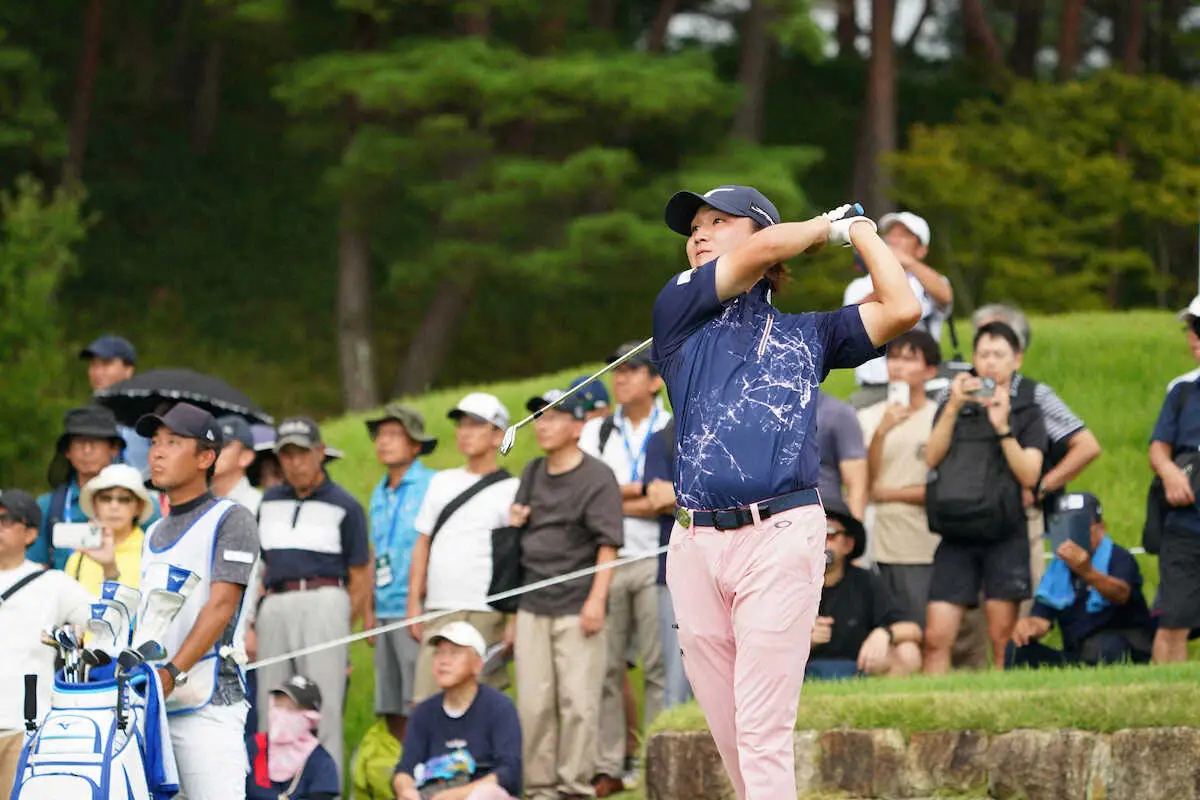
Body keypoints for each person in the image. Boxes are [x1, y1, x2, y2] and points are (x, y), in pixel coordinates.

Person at [651, 184, 920, 800]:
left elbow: (902, 307)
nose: (698, 234)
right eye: (695, 226)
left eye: (718, 222)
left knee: (763, 729)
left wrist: (862, 233)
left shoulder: (810, 335)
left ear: (765, 246)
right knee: (730, 735)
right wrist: (825, 227)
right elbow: (768, 245)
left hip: (781, 533)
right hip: (693, 544)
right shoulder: (678, 310)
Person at [136, 402, 260, 800]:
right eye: (155, 442)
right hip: (156, 707)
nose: (157, 452)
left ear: (206, 457)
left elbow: (222, 606)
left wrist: (172, 672)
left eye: (173, 442)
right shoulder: (152, 532)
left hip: (209, 707)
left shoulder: (231, 518)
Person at [509, 389, 623, 800]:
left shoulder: (598, 476)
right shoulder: (532, 472)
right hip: (532, 605)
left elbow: (608, 544)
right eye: (539, 417)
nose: (542, 424)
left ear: (577, 426)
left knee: (579, 702)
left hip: (578, 603)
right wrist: (515, 520)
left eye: (553, 417)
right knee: (534, 705)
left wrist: (597, 600)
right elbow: (518, 538)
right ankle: (540, 789)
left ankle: (575, 787)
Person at [922, 322, 1047, 674]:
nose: (990, 362)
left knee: (1002, 639)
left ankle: (1002, 706)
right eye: (983, 354)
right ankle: (933, 708)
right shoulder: (952, 405)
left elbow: (1030, 475)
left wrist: (1003, 425)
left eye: (999, 355)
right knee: (935, 637)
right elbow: (931, 458)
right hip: (956, 531)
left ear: (1017, 360)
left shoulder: (1027, 411)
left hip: (1004, 532)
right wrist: (952, 407)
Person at [578, 341, 672, 796]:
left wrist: (618, 497)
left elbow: (674, 499)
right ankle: (611, 764)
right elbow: (586, 498)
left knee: (658, 666)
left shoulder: (675, 426)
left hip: (659, 560)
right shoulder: (595, 433)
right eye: (616, 371)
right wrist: (643, 494)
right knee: (607, 667)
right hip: (607, 563)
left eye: (632, 370)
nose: (620, 378)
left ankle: (657, 755)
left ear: (656, 381)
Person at [257, 416, 371, 778]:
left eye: (302, 454)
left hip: (325, 600)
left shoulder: (346, 506)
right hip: (274, 603)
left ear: (320, 453)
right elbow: (262, 566)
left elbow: (360, 575)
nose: (294, 462)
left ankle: (324, 788)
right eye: (286, 455)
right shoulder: (268, 502)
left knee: (322, 705)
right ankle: (274, 788)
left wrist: (340, 625)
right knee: (270, 705)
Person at [969, 303, 1103, 604]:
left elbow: (1087, 446)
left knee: (1021, 605)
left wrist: (1042, 485)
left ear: (1018, 352)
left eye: (999, 341)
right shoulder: (959, 391)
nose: (990, 352)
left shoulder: (1034, 395)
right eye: (983, 342)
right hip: (964, 514)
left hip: (1019, 515)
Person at [407, 394, 517, 704]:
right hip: (439, 606)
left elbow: (515, 558)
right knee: (426, 700)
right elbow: (422, 543)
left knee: (480, 701)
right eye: (462, 424)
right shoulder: (441, 482)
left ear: (498, 435)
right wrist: (413, 603)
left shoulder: (512, 489)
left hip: (486, 609)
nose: (465, 431)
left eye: (476, 424)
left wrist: (514, 618)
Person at [0, 488, 95, 793]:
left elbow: (108, 620)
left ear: (30, 533)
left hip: (23, 729)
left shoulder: (52, 583)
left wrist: (78, 637)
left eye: (4, 520)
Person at [1007, 493, 1153, 668]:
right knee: (1016, 649)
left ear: (1101, 528)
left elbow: (1121, 594)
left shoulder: (1119, 557)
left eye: (1080, 526)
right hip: (1076, 654)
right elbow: (1043, 618)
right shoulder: (1058, 569)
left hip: (1121, 645)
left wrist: (1088, 572)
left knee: (1105, 647)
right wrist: (1029, 626)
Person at [856, 330, 942, 625]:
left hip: (918, 541)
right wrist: (881, 432)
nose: (899, 366)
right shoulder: (866, 417)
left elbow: (942, 487)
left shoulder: (940, 418)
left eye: (909, 359)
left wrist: (888, 494)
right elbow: (861, 483)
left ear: (930, 371)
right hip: (870, 540)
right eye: (893, 358)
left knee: (915, 625)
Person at [364, 404, 438, 742]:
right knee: (390, 704)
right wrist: (368, 611)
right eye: (381, 434)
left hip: (417, 610)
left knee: (419, 699)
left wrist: (419, 604)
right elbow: (373, 552)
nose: (384, 442)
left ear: (416, 444)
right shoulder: (379, 492)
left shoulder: (432, 485)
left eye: (395, 435)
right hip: (384, 609)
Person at [393, 622, 523, 800]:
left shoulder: (500, 708)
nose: (443, 661)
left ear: (477, 664)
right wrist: (407, 791)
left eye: (454, 653)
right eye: (439, 653)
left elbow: (509, 772)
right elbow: (405, 768)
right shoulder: (423, 712)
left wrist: (454, 796)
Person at [843, 212, 953, 409]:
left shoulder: (932, 281)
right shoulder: (858, 286)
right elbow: (850, 322)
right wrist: (889, 271)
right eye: (890, 234)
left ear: (921, 250)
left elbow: (945, 296)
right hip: (874, 387)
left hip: (922, 388)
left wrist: (907, 263)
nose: (893, 240)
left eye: (904, 235)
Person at [806, 502, 923, 679]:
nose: (822, 542)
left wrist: (884, 634)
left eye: (829, 533)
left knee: (908, 652)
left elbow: (913, 629)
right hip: (801, 672)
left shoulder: (866, 580)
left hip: (859, 668)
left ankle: (886, 703)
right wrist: (805, 640)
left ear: (849, 544)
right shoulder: (792, 583)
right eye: (815, 534)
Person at [32, 405, 155, 570]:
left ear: (114, 448)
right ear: (67, 451)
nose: (87, 450)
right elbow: (36, 566)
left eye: (96, 441)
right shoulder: (47, 506)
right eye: (79, 442)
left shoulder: (143, 502)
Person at [1148, 317, 1200, 664]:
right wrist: (1169, 472)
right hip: (1186, 522)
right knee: (1171, 622)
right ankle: (1162, 700)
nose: (1194, 338)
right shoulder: (1182, 390)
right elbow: (1158, 447)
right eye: (1192, 330)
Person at [643, 420, 692, 710]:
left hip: (737, 567)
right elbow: (659, 499)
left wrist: (683, 500)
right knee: (678, 675)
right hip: (676, 573)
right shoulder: (664, 437)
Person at [246, 675, 340, 800]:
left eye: (291, 709)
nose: (280, 716)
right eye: (278, 706)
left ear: (310, 717)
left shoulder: (321, 763)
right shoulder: (253, 747)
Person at [65, 463, 155, 592]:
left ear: (139, 507)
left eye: (124, 499)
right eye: (106, 499)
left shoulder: (150, 554)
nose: (114, 506)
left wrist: (110, 569)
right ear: (94, 504)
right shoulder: (78, 557)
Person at [80, 334, 152, 475]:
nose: (98, 372)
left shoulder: (147, 411)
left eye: (106, 364)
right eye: (94, 364)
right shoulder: (86, 415)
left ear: (128, 370)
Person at [816, 390, 868, 521]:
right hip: (770, 518)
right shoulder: (761, 409)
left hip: (825, 514)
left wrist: (855, 532)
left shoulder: (837, 412)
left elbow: (856, 483)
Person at [215, 416, 266, 516]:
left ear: (245, 457)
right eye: (208, 445)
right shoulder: (193, 501)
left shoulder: (259, 505)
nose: (213, 451)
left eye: (223, 445)